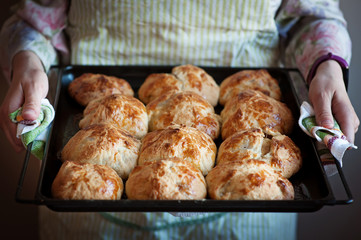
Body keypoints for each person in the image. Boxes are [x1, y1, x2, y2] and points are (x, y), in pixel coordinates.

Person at [0, 0, 359, 239]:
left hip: (249, 215)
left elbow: (313, 16)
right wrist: (28, 60)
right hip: (87, 216)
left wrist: (326, 66)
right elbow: (34, 18)